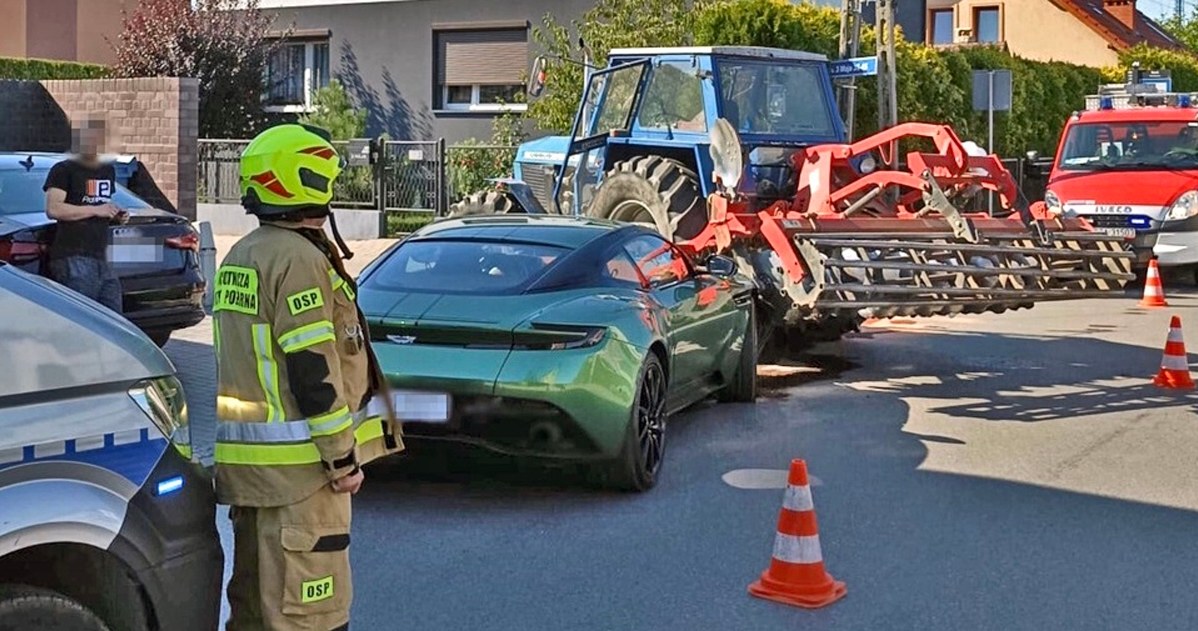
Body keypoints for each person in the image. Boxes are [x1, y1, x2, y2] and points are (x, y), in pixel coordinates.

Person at [214, 123, 404, 631]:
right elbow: (312, 370)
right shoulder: (298, 259)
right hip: (303, 481)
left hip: (253, 480)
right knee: (311, 620)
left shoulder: (244, 254)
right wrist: (342, 458)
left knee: (254, 616)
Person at [43, 116, 126, 314]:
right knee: (83, 318)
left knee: (114, 319)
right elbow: (54, 209)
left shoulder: (107, 171)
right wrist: (97, 210)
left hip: (102, 256)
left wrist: (115, 213)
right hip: (73, 256)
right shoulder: (63, 170)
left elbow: (100, 204)